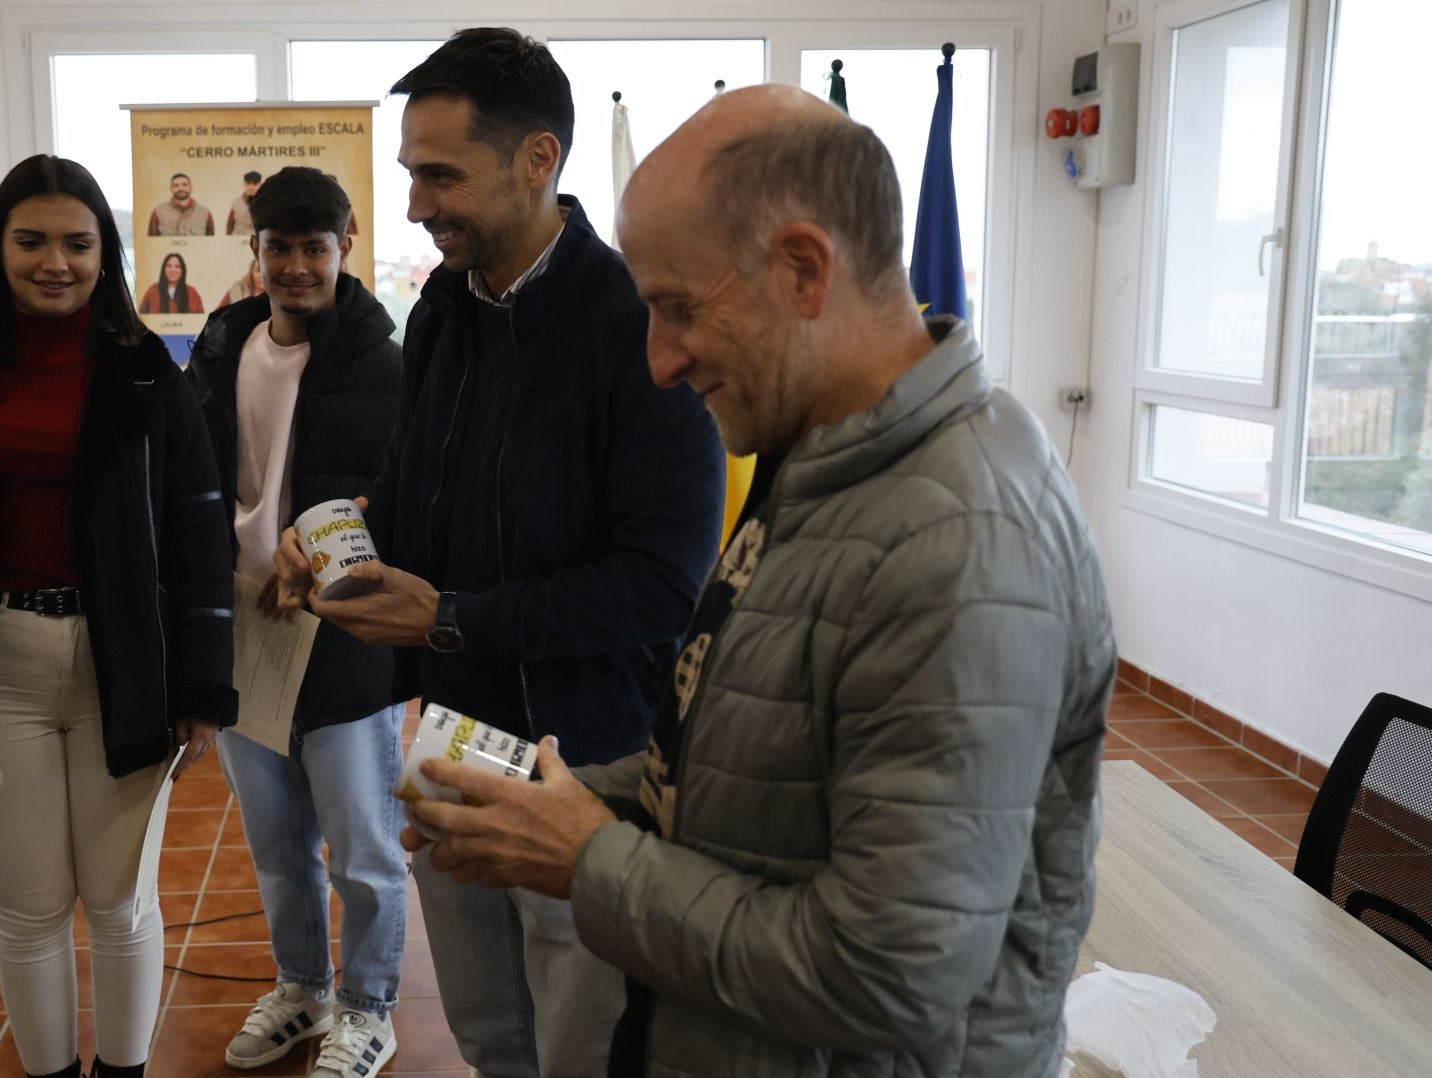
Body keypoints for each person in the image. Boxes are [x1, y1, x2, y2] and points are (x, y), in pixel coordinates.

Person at [403, 85, 1114, 1077]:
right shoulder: (827, 459)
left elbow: (888, 973)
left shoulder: (961, 541)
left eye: (679, 309)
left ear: (804, 271)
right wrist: (529, 795)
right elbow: (748, 777)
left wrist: (587, 858)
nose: (656, 362)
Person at [271, 28, 725, 1078]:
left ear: (537, 161)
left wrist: (446, 615)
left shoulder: (633, 325)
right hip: (454, 740)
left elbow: (662, 585)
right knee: (488, 1037)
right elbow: (426, 497)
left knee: (583, 1043)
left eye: (440, 175)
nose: (418, 203)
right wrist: (338, 541)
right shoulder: (440, 310)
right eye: (411, 175)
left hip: (589, 758)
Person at [0, 153, 237, 1078]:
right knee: (30, 906)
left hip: (122, 660)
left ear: (108, 251)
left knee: (119, 900)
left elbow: (200, 531)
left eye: (78, 244)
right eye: (32, 240)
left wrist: (203, 681)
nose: (56, 262)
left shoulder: (147, 374)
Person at [186, 167, 405, 1078]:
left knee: (362, 848)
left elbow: (401, 499)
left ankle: (369, 1007)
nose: (297, 267)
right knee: (277, 846)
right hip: (244, 628)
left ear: (345, 246)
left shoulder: (381, 361)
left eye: (316, 247)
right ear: (256, 251)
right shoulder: (219, 346)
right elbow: (190, 479)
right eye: (280, 248)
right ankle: (303, 987)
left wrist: (320, 558)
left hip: (341, 638)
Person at [148, 172, 215, 236]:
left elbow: (211, 243)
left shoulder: (205, 213)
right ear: (171, 189)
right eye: (176, 185)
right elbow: (151, 242)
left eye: (184, 184)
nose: (180, 188)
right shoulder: (158, 212)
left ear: (191, 188)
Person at [224, 170, 263, 235]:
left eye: (255, 184)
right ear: (244, 184)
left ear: (260, 185)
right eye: (248, 183)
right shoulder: (236, 203)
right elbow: (229, 225)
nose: (251, 187)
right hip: (238, 242)